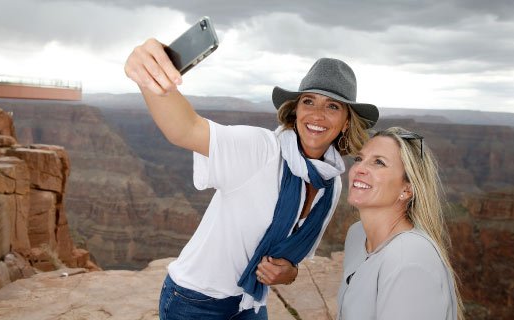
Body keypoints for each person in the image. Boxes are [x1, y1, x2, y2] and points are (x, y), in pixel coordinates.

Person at [124, 38, 379, 319]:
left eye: (332, 106)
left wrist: (288, 273)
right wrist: (150, 76)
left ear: (346, 122)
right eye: (309, 101)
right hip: (194, 302)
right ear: (296, 111)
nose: (317, 114)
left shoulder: (330, 184)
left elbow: (295, 259)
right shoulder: (262, 149)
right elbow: (185, 130)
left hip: (249, 303)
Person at [337, 127, 464, 320]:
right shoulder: (357, 235)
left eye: (378, 162)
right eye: (359, 159)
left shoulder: (409, 257)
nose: (359, 169)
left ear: (407, 189)